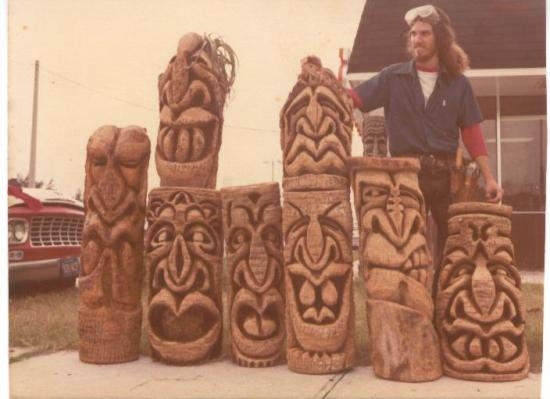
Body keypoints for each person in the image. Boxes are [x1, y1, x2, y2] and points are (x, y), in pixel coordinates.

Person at [348, 4, 503, 255]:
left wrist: (489, 178)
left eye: (424, 33)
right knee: (405, 246)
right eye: (413, 34)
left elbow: (472, 134)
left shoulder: (458, 84)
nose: (417, 39)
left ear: (439, 38)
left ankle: (441, 293)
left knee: (453, 245)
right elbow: (353, 98)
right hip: (406, 177)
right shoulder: (392, 77)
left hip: (446, 179)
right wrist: (320, 77)